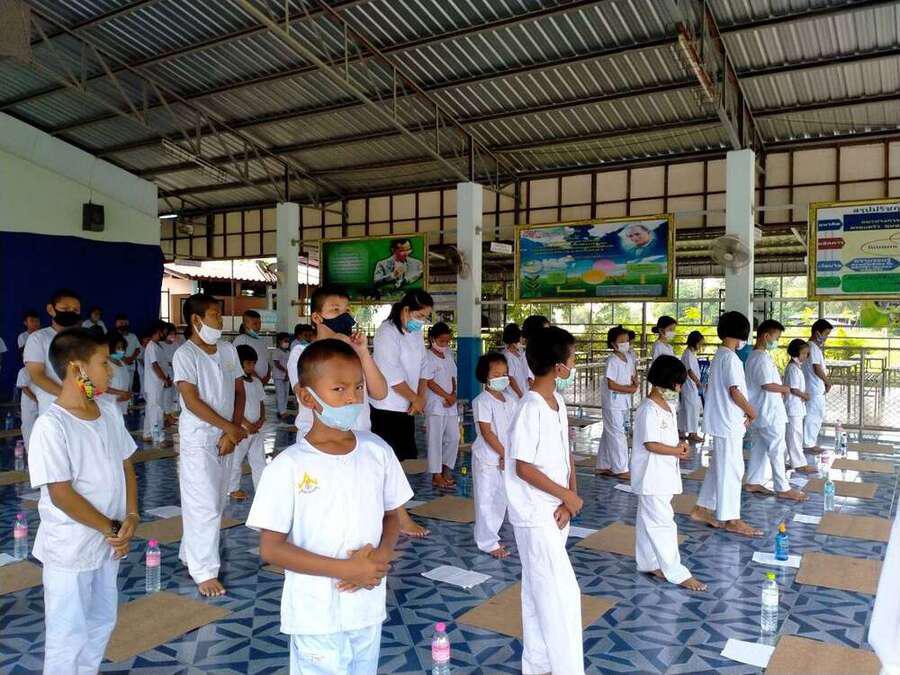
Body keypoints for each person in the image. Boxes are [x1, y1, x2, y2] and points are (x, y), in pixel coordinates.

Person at [246, 339, 413, 674]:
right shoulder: (288, 465)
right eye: (339, 389)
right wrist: (346, 569)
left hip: (366, 603)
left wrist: (380, 557)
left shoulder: (377, 450)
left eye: (358, 387)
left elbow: (391, 514)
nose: (352, 398)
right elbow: (271, 548)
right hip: (315, 615)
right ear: (307, 397)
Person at [28, 328, 138, 674]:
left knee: (102, 620)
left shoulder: (107, 411)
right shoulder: (52, 426)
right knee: (68, 634)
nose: (112, 370)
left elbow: (126, 465)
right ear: (77, 368)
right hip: (71, 548)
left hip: (108, 542)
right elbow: (61, 494)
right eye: (104, 362)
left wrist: (131, 516)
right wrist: (113, 528)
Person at [505, 326, 584, 675]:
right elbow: (523, 467)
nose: (574, 363)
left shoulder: (558, 402)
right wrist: (565, 495)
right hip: (535, 516)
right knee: (563, 597)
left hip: (557, 511)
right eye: (572, 358)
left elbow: (565, 454)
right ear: (557, 367)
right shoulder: (530, 407)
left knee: (538, 593)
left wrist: (570, 498)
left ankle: (539, 664)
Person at [173, 293, 246, 597]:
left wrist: (233, 431)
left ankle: (190, 553)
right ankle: (204, 571)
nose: (220, 321)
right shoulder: (185, 355)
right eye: (215, 315)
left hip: (227, 436)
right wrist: (229, 428)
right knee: (203, 505)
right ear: (196, 320)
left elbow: (239, 391)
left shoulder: (228, 350)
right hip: (200, 439)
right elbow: (191, 401)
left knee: (217, 501)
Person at [630, 355, 706, 592]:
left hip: (663, 473)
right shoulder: (648, 409)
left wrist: (680, 446)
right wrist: (676, 450)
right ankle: (676, 571)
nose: (679, 389)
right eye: (678, 384)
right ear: (667, 382)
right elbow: (650, 444)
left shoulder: (667, 406)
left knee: (648, 520)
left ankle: (649, 562)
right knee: (663, 523)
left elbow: (667, 439)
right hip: (651, 476)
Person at [691, 311, 762, 537]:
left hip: (724, 420)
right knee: (732, 470)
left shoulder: (721, 355)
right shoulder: (730, 358)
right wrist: (752, 411)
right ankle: (732, 519)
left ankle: (702, 509)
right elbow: (735, 391)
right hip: (727, 422)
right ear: (741, 333)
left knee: (719, 467)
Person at [371, 289, 434, 539]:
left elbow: (424, 367)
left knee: (398, 461)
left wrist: (420, 397)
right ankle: (397, 516)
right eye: (420, 315)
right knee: (388, 463)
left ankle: (390, 511)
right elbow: (391, 374)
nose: (423, 321)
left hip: (408, 405)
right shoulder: (387, 333)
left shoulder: (415, 333)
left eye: (426, 317)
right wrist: (414, 398)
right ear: (406, 310)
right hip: (386, 407)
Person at [744, 320, 808, 502]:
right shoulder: (760, 358)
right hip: (769, 411)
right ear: (766, 336)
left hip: (762, 410)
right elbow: (766, 384)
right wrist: (785, 389)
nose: (777, 341)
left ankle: (753, 481)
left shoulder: (757, 356)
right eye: (776, 337)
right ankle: (783, 488)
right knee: (777, 449)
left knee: (760, 448)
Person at [472, 352, 516, 558]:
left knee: (501, 498)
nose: (502, 378)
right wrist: (503, 453)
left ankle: (493, 535)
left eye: (504, 374)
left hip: (506, 457)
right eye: (496, 374)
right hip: (487, 459)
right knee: (486, 499)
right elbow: (487, 432)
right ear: (485, 376)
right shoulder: (482, 401)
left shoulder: (510, 400)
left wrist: (510, 455)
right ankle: (487, 542)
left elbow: (514, 429)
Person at [24, 288, 82, 415]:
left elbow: (80, 371)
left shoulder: (80, 340)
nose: (70, 313)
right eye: (65, 309)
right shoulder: (38, 338)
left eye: (75, 310)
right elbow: (37, 375)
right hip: (53, 408)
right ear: (51, 309)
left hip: (80, 408)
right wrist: (68, 396)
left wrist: (89, 396)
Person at [596, 326, 638, 480]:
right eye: (622, 341)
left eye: (627, 340)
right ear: (613, 344)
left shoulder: (628, 358)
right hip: (613, 402)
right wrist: (629, 389)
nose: (626, 343)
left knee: (610, 432)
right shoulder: (612, 360)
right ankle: (621, 468)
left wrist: (635, 382)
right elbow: (611, 384)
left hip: (623, 402)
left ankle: (603, 465)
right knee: (617, 434)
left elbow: (633, 375)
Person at [227, 344, 267, 500]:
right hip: (241, 429)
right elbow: (233, 406)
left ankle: (262, 489)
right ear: (239, 363)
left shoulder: (256, 382)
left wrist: (261, 420)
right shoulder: (234, 383)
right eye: (248, 363)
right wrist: (246, 424)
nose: (252, 367)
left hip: (256, 429)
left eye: (254, 363)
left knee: (259, 461)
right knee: (236, 460)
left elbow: (261, 402)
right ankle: (233, 488)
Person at [424, 322, 459, 489]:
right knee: (435, 440)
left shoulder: (448, 355)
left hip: (450, 403)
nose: (445, 344)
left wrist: (453, 395)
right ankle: (436, 475)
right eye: (441, 341)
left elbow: (453, 376)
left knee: (454, 437)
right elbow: (429, 381)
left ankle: (446, 469)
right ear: (432, 339)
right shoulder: (428, 357)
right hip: (435, 404)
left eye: (447, 341)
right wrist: (446, 396)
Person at [784, 339, 816, 474]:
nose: (805, 356)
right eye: (803, 353)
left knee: (794, 435)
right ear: (796, 353)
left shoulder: (796, 367)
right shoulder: (792, 368)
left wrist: (803, 395)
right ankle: (799, 464)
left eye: (807, 354)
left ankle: (789, 461)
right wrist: (805, 396)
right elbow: (793, 389)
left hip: (797, 406)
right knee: (794, 436)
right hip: (793, 407)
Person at [803, 319, 833, 454]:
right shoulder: (812, 347)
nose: (826, 337)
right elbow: (816, 368)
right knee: (813, 416)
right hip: (814, 388)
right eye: (826, 334)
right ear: (817, 333)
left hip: (812, 387)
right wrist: (827, 382)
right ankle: (808, 444)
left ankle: (809, 442)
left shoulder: (810, 347)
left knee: (814, 415)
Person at [142, 321, 171, 443]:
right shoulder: (151, 346)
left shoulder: (158, 345)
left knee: (151, 409)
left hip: (158, 383)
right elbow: (155, 365)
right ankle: (157, 437)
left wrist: (166, 378)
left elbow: (162, 364)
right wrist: (164, 379)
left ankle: (147, 434)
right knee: (155, 410)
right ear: (158, 331)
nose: (166, 334)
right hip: (154, 383)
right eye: (164, 331)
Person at [679, 331, 705, 443]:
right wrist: (698, 382)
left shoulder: (691, 354)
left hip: (691, 386)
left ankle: (682, 431)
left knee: (688, 409)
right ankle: (692, 433)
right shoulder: (688, 354)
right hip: (690, 386)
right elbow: (689, 371)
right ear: (695, 342)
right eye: (700, 343)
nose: (701, 346)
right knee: (692, 409)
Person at [233, 310, 272, 385]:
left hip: (262, 382)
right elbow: (240, 363)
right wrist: (257, 379)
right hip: (248, 382)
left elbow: (266, 360)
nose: (258, 326)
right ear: (245, 325)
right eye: (255, 324)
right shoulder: (241, 339)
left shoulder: (261, 341)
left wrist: (268, 376)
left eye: (259, 323)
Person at [105, 333, 134, 417]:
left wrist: (128, 394)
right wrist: (121, 393)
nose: (121, 351)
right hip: (109, 404)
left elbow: (126, 381)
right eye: (118, 348)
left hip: (122, 404)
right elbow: (102, 387)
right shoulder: (105, 364)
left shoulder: (122, 363)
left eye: (122, 348)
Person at [114, 314, 142, 394]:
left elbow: (138, 349)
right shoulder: (114, 337)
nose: (123, 325)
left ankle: (129, 400)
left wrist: (131, 358)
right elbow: (111, 352)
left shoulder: (133, 336)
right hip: (118, 366)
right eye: (120, 323)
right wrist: (124, 359)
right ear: (116, 324)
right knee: (119, 387)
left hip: (130, 366)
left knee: (129, 387)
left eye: (124, 323)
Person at [501, 323, 528, 398]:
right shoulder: (507, 356)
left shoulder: (520, 352)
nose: (522, 339)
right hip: (514, 395)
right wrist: (520, 394)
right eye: (520, 337)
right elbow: (511, 378)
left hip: (523, 391)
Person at [16, 364, 38, 448]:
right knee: (28, 428)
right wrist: (36, 400)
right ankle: (29, 450)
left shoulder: (40, 370)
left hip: (40, 404)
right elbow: (24, 388)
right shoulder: (23, 371)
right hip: (28, 405)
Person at [273, 332, 292, 421]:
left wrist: (288, 373)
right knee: (280, 394)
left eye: (288, 341)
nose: (287, 343)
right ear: (279, 341)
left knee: (285, 394)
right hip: (278, 376)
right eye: (285, 341)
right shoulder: (276, 351)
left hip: (286, 376)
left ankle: (282, 410)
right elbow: (277, 364)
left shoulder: (288, 352)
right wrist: (285, 371)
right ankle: (282, 412)